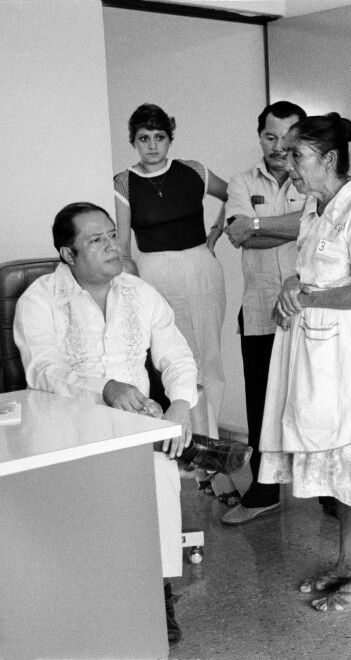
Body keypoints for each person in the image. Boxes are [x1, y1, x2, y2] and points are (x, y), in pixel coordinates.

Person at [13, 202, 198, 647]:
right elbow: (44, 371)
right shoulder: (39, 299)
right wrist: (105, 389)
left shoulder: (140, 292)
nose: (112, 246)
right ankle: (83, 599)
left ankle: (158, 594)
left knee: (158, 481)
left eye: (112, 235)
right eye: (96, 240)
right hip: (67, 429)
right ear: (67, 254)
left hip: (136, 426)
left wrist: (181, 406)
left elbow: (176, 355)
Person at [258, 113, 351, 612]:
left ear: (329, 159)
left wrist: (307, 299)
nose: (287, 162)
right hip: (319, 351)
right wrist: (291, 286)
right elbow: (308, 271)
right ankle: (345, 562)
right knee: (337, 462)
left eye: (297, 155)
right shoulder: (316, 208)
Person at [112, 103, 233, 503]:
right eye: (143, 139)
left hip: (200, 267)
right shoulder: (124, 182)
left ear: (170, 138)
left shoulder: (193, 170)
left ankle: (211, 457)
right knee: (175, 362)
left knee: (209, 360)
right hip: (153, 274)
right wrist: (131, 286)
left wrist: (215, 235)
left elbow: (235, 196)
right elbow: (123, 245)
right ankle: (190, 455)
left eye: (159, 137)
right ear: (133, 141)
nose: (151, 146)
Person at [219, 101, 308, 526]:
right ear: (260, 136)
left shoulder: (311, 178)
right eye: (269, 136)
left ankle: (325, 491)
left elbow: (315, 225)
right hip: (257, 310)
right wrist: (293, 224)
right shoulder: (240, 181)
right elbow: (237, 234)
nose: (277, 146)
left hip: (308, 312)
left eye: (286, 138)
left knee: (311, 401)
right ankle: (264, 489)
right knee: (261, 406)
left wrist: (258, 225)